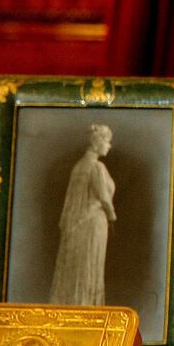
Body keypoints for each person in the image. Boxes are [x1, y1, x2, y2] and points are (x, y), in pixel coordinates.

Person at [48, 124, 116, 306]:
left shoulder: (78, 166)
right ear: (97, 143)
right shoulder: (96, 167)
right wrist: (112, 216)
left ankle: (79, 303)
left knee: (80, 265)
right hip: (93, 223)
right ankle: (87, 306)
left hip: (78, 224)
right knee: (89, 265)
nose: (109, 146)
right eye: (107, 141)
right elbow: (103, 197)